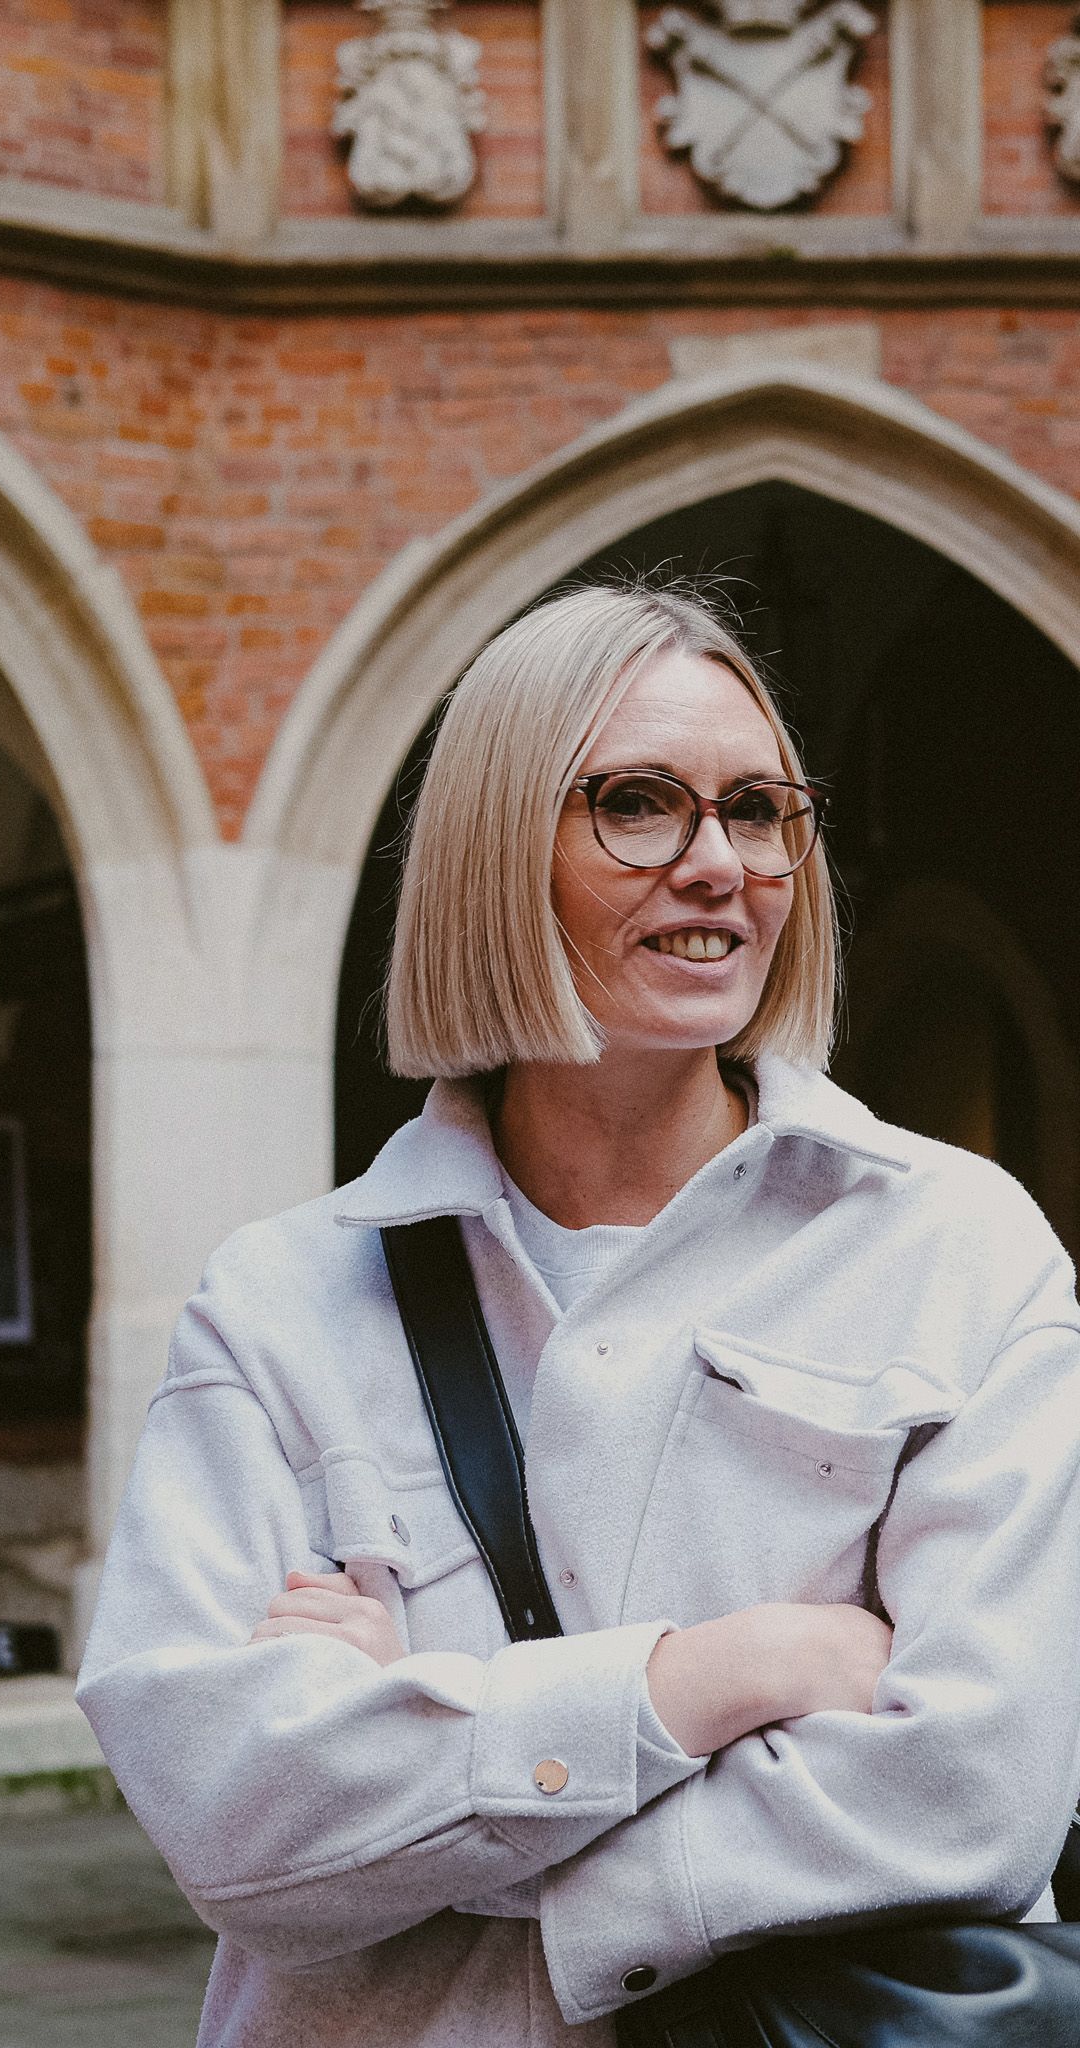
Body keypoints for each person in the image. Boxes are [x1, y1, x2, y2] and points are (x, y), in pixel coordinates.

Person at [76, 584, 1080, 2047]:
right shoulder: (282, 1301)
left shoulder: (958, 1249)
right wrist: (731, 1673)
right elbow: (231, 1824)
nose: (718, 863)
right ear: (499, 851)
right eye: (637, 804)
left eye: (757, 809)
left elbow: (974, 1802)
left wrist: (427, 1748)